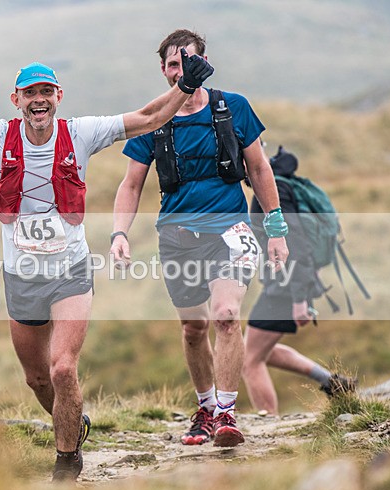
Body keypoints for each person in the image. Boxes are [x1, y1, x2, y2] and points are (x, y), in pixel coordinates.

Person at [0, 48, 214, 481]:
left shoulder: (82, 134)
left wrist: (183, 88)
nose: (39, 100)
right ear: (16, 100)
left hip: (70, 272)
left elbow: (146, 119)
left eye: (46, 91)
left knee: (63, 367)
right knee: (38, 380)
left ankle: (67, 460)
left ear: (59, 95)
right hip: (22, 278)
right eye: (30, 93)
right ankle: (72, 422)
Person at [110, 29, 289, 448]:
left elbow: (260, 170)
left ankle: (227, 413)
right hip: (176, 236)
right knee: (194, 327)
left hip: (231, 230)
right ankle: (206, 408)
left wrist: (277, 230)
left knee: (227, 315)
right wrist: (119, 233)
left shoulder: (234, 108)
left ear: (203, 63)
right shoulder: (152, 118)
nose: (180, 70)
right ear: (163, 70)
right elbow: (131, 184)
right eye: (173, 64)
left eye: (188, 61)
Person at [243, 146, 357, 415]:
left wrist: (299, 299)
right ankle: (333, 383)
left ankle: (268, 424)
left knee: (249, 361)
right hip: (285, 282)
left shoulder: (274, 191)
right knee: (260, 350)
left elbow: (297, 244)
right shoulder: (274, 187)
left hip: (287, 286)